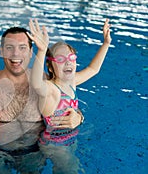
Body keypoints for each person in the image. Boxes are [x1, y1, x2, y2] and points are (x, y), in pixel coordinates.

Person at [0, 26, 84, 173]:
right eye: (9, 47)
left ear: (30, 51)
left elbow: (67, 101)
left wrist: (78, 117)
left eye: (22, 47)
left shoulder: (47, 82)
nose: (16, 54)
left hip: (35, 152)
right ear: (1, 51)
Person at [29, 18, 111, 173]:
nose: (68, 62)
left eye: (71, 58)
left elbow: (93, 69)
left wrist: (106, 43)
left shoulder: (72, 83)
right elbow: (36, 83)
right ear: (51, 67)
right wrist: (41, 51)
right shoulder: (51, 90)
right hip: (54, 145)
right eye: (60, 59)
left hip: (69, 139)